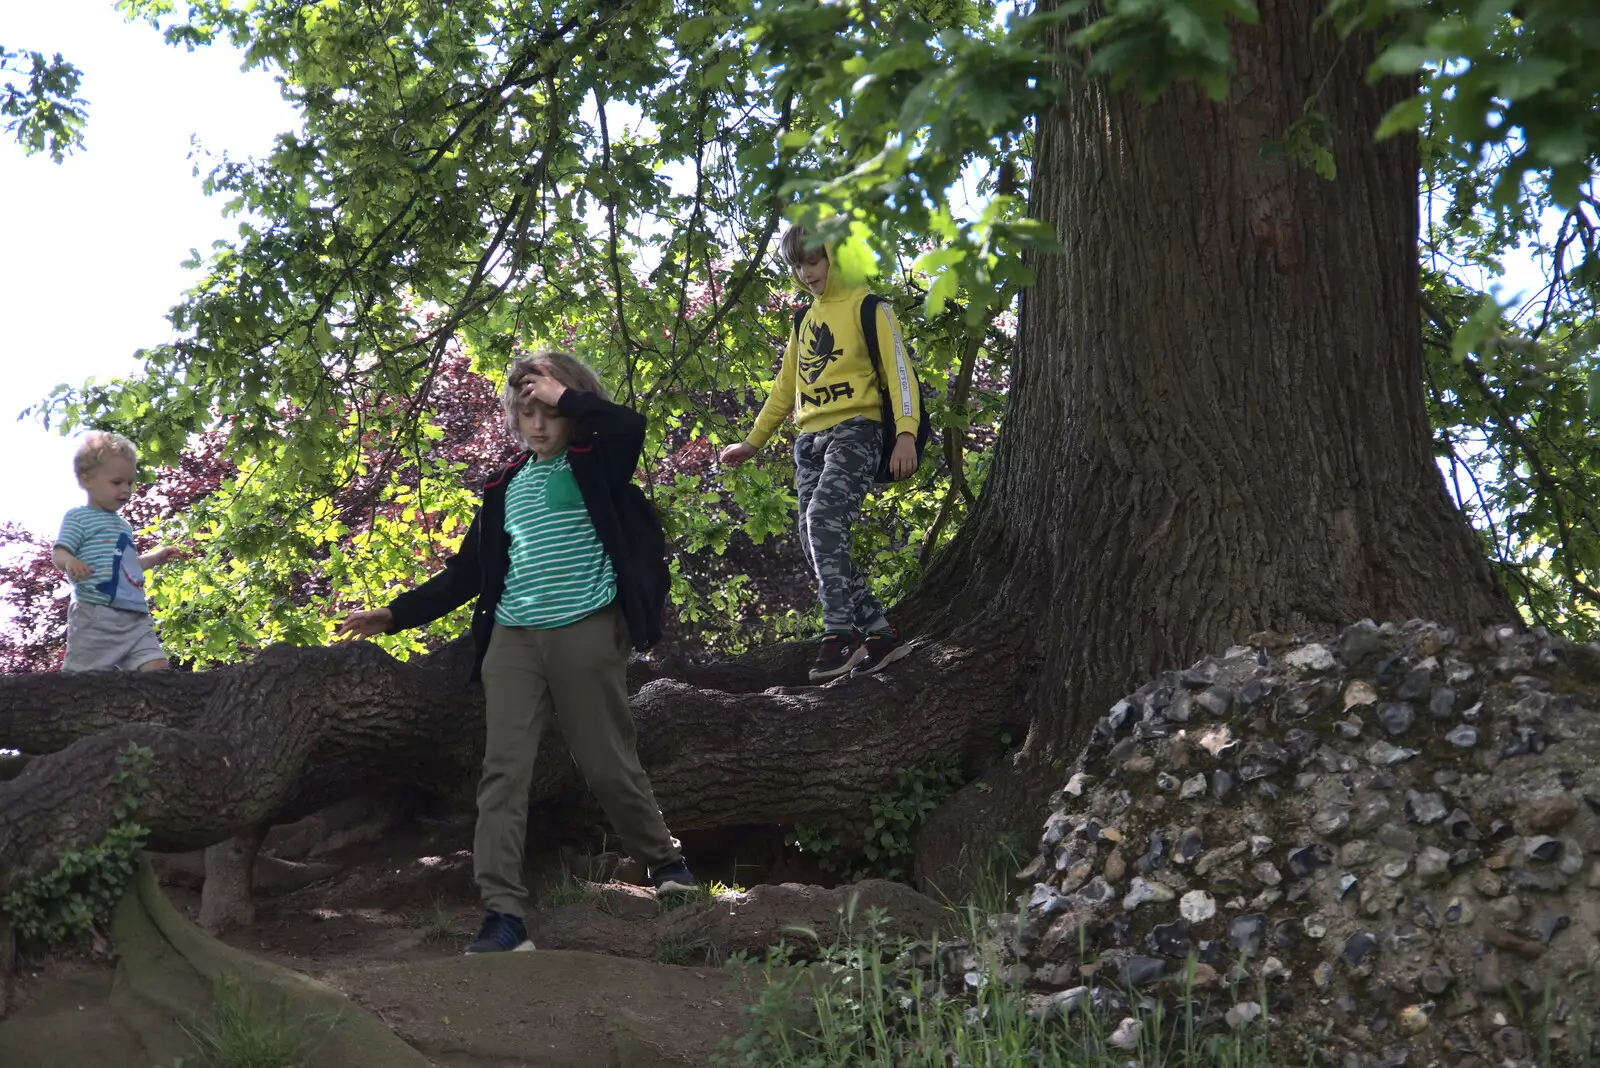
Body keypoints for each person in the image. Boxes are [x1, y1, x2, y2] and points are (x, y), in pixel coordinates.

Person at [339, 350, 697, 954]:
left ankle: (665, 865)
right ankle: (503, 915)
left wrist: (565, 396)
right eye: (526, 412)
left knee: (607, 760)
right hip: (512, 638)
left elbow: (628, 425)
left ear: (572, 409)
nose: (538, 425)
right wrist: (395, 614)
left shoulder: (597, 461)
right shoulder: (505, 486)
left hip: (586, 626)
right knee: (503, 772)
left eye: (549, 411)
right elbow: (465, 574)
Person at [720, 223, 922, 681]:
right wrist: (754, 441)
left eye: (814, 260)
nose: (806, 272)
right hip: (808, 442)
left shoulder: (870, 308)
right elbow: (784, 387)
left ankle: (839, 636)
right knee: (816, 544)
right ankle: (879, 633)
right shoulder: (804, 319)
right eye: (797, 264)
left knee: (822, 522)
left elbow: (900, 374)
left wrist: (905, 434)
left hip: (857, 431)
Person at [52, 431, 184, 673]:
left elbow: (127, 566)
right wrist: (70, 562)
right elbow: (59, 553)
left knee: (156, 667)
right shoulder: (79, 517)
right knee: (83, 679)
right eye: (116, 482)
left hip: (134, 615)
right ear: (86, 480)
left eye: (129, 482)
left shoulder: (123, 525)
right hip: (95, 615)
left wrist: (156, 557)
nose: (125, 489)